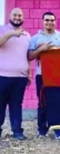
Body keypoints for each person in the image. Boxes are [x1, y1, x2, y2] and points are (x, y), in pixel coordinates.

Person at [28, 11, 60, 139]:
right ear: (42, 21)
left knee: (59, 102)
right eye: (47, 20)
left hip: (58, 75)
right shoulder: (35, 38)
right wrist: (41, 49)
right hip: (42, 74)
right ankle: (42, 130)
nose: (49, 22)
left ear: (55, 22)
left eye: (52, 20)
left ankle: (59, 131)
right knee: (42, 102)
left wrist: (50, 50)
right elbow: (30, 56)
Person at [0, 8, 31, 140]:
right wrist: (11, 34)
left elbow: (26, 56)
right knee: (0, 104)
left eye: (20, 15)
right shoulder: (2, 30)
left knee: (16, 105)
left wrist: (28, 73)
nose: (17, 17)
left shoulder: (27, 35)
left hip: (20, 77)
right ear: (9, 16)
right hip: (3, 76)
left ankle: (17, 131)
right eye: (15, 15)